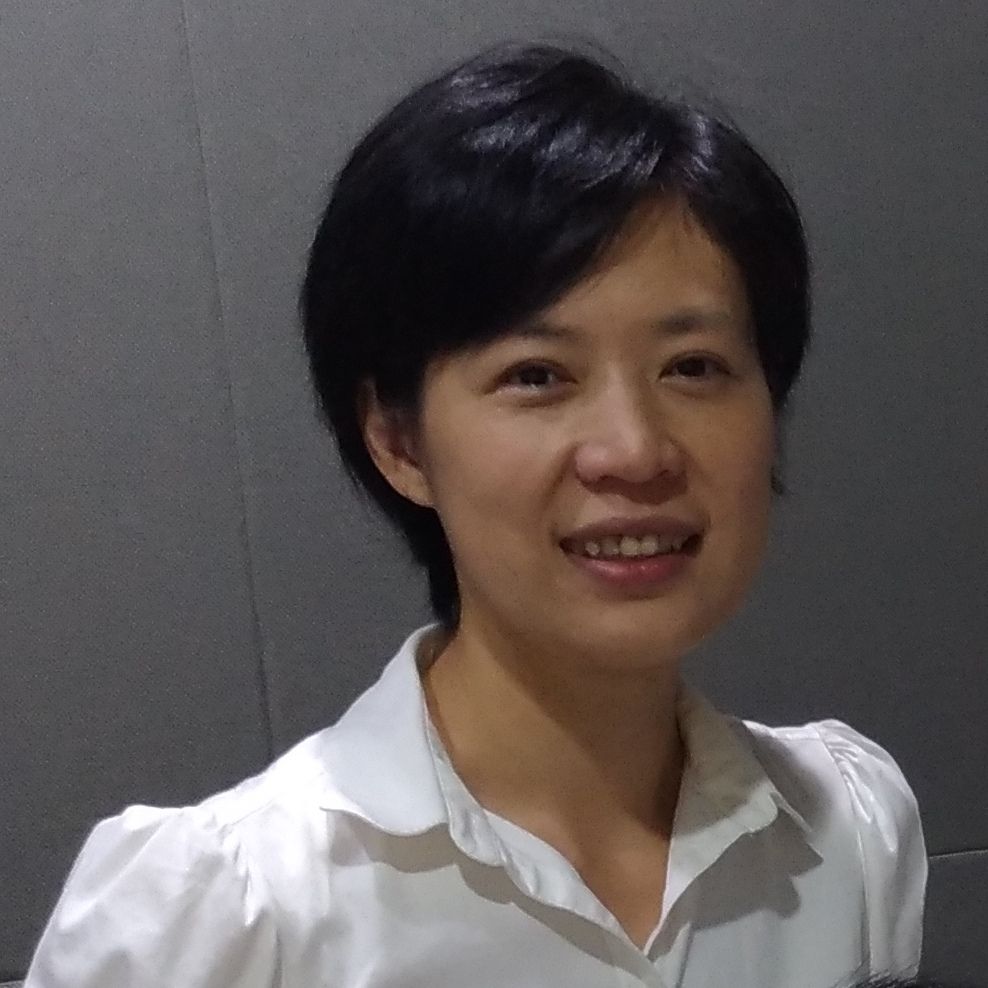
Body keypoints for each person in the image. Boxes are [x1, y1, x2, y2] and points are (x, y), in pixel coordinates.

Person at [25, 43, 926, 988]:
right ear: (399, 441)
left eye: (693, 367)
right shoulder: (226, 913)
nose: (635, 451)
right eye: (537, 376)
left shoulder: (847, 831)